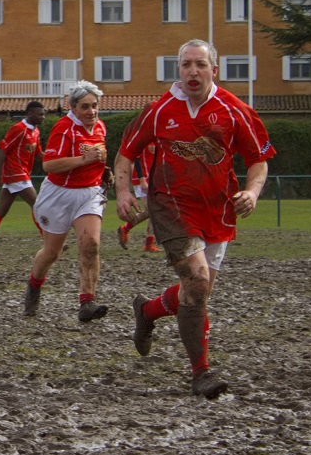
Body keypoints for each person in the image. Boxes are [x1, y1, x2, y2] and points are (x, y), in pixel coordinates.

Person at [115, 39, 274, 399]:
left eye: (200, 64)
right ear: (178, 70)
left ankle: (149, 310)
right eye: (186, 64)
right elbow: (125, 154)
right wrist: (124, 193)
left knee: (197, 292)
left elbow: (258, 160)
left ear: (214, 70)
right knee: (198, 283)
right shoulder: (158, 110)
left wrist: (251, 192)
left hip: (218, 210)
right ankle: (201, 372)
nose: (192, 71)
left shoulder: (235, 111)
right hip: (171, 207)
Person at [23, 84, 110, 322]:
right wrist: (84, 159)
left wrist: (104, 172)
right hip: (59, 194)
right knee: (52, 252)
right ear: (73, 107)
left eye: (94, 106)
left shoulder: (100, 127)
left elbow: (96, 159)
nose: (91, 111)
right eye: (84, 107)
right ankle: (34, 286)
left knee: (91, 244)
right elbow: (49, 165)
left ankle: (87, 302)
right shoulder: (64, 128)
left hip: (89, 193)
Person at [0, 101, 46, 255]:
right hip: (16, 174)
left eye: (44, 114)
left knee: (1, 210)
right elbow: (2, 150)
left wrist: (56, 162)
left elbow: (39, 153)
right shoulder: (18, 129)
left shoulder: (35, 131)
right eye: (40, 114)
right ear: (30, 114)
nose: (43, 117)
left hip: (20, 175)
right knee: (38, 205)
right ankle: (51, 244)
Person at [117, 145, 162, 253]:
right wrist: (142, 180)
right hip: (143, 179)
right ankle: (147, 242)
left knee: (152, 211)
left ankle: (128, 229)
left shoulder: (157, 136)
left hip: (153, 177)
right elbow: (136, 159)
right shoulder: (144, 137)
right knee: (152, 210)